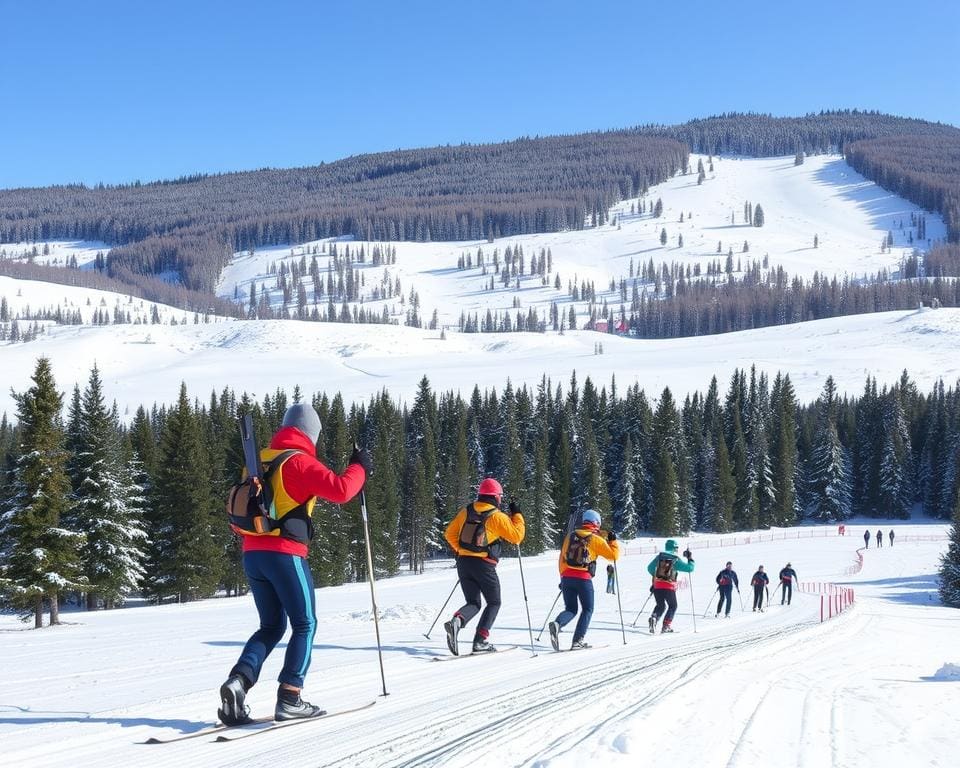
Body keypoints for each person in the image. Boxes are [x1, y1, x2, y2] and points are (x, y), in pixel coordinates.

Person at [219, 404, 370, 725]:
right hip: (285, 554)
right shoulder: (300, 461)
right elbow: (343, 490)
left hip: (252, 553)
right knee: (305, 624)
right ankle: (290, 696)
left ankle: (239, 682)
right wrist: (360, 466)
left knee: (271, 626)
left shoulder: (260, 459)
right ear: (310, 434)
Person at [443, 478, 525, 655]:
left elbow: (449, 533)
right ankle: (480, 641)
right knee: (494, 602)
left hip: (464, 563)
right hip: (484, 565)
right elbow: (517, 537)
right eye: (500, 497)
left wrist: (462, 550)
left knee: (473, 602)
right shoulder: (496, 516)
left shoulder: (467, 510)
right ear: (495, 497)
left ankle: (458, 620)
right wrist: (517, 515)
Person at [548, 509, 620, 651]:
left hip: (567, 577)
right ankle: (577, 641)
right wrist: (613, 541)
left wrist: (563, 578)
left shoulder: (571, 536)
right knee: (587, 609)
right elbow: (613, 556)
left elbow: (562, 558)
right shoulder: (596, 540)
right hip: (583, 579)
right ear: (596, 523)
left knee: (571, 609)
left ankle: (557, 624)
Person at [646, 540, 695, 633]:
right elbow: (690, 568)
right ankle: (666, 626)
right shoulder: (675, 559)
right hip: (669, 586)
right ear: (674, 548)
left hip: (657, 586)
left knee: (660, 605)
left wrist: (657, 577)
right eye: (677, 548)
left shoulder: (659, 557)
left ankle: (654, 618)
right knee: (673, 606)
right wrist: (690, 559)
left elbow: (649, 568)